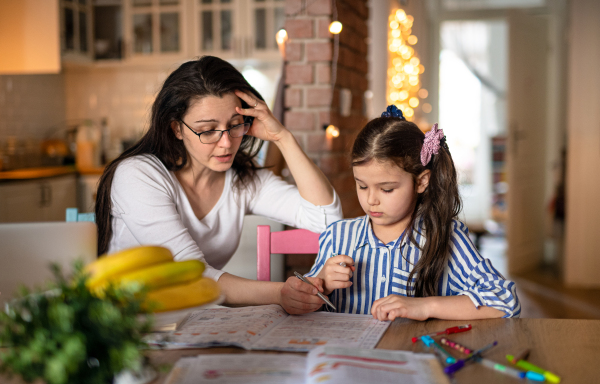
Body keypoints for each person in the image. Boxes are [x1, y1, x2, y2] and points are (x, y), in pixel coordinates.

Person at [94, 56, 343, 314]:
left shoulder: (243, 182)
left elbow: (327, 218)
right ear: (177, 129)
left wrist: (283, 138)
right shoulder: (138, 175)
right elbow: (191, 273)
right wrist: (280, 293)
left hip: (194, 321)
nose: (226, 143)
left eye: (235, 126)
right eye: (208, 130)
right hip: (126, 325)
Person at [305, 105, 520, 321]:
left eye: (387, 189)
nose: (371, 200)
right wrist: (321, 283)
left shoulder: (446, 236)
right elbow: (299, 303)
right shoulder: (337, 236)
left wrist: (424, 307)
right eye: (362, 186)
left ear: (421, 182)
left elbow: (504, 300)